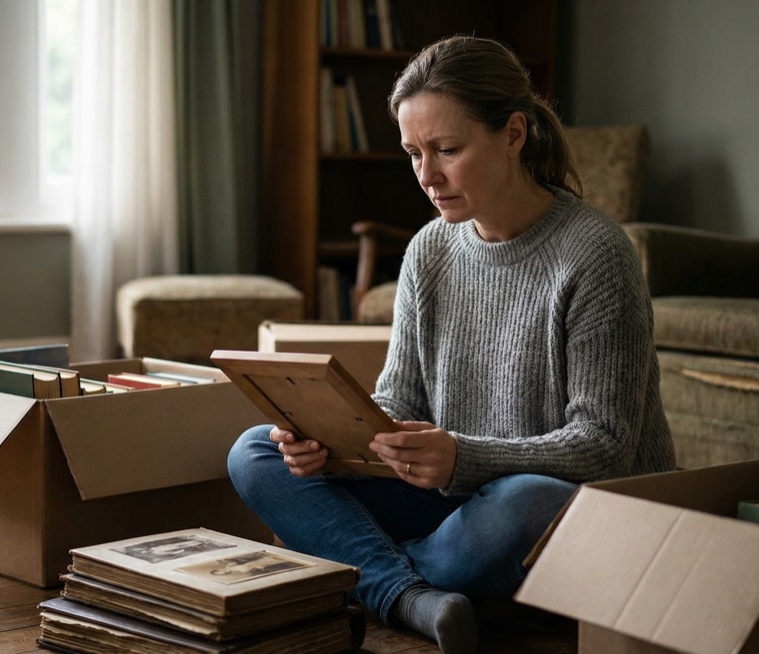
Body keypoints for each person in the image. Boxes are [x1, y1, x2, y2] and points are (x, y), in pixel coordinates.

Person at [227, 35, 674, 654]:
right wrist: (332, 445)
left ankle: (363, 572)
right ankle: (414, 596)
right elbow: (394, 402)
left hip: (556, 511)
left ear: (513, 134)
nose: (427, 177)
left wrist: (464, 458)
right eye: (414, 153)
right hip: (449, 504)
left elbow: (606, 448)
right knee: (255, 454)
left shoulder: (596, 255)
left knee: (527, 503)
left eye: (447, 150)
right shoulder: (428, 251)